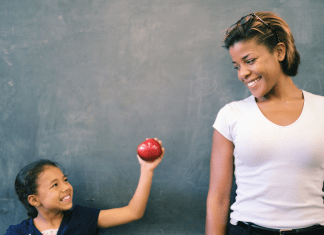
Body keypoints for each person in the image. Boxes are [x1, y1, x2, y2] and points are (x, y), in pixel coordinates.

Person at [206, 11, 324, 235]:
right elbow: (218, 199)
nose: (243, 73)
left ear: (279, 51)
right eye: (237, 66)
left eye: (249, 61)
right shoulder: (231, 115)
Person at [6, 138, 164, 235]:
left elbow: (133, 212)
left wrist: (146, 170)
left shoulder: (82, 218)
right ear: (34, 200)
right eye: (55, 185)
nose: (66, 187)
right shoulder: (18, 232)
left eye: (65, 180)